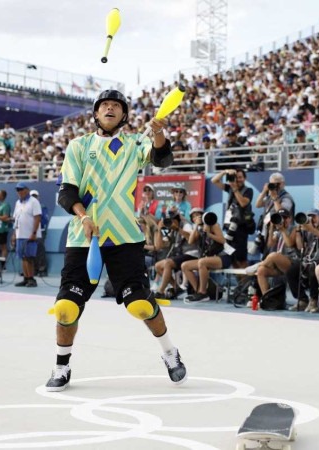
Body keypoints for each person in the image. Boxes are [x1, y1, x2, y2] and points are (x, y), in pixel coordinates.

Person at [46, 89, 185, 392]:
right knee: (67, 306)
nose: (109, 109)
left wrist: (159, 134)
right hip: (84, 237)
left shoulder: (135, 143)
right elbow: (66, 191)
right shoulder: (78, 146)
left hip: (124, 237)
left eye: (116, 106)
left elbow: (162, 159)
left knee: (140, 306)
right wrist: (83, 216)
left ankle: (170, 352)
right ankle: (61, 366)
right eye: (104, 105)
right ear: (96, 114)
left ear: (123, 115)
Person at [153, 208, 201, 298]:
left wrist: (178, 229)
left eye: (173, 220)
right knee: (158, 266)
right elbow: (160, 246)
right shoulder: (172, 230)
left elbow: (191, 239)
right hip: (182, 256)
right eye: (169, 220)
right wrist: (159, 230)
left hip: (192, 254)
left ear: (177, 219)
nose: (171, 222)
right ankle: (176, 287)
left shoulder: (186, 225)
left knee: (168, 262)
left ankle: (160, 291)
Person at [211, 168, 254, 268]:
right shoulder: (230, 188)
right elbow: (214, 181)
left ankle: (247, 282)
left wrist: (235, 188)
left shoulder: (248, 190)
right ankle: (241, 283)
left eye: (240, 177)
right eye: (236, 177)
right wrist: (225, 171)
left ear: (245, 178)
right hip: (230, 228)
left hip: (241, 229)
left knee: (241, 259)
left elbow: (243, 203)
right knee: (232, 257)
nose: (238, 180)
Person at [12, 183, 41, 288]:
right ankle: (26, 278)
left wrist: (34, 233)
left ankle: (31, 279)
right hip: (20, 234)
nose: (19, 192)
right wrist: (14, 235)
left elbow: (37, 218)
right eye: (18, 190)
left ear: (27, 190)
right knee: (23, 257)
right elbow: (16, 219)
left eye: (21, 189)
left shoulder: (34, 201)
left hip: (29, 235)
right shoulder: (17, 203)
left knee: (29, 257)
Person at [31, 190, 50, 277]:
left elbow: (45, 220)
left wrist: (36, 222)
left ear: (38, 197)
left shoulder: (42, 207)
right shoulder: (28, 206)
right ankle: (33, 270)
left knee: (40, 250)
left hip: (40, 231)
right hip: (30, 232)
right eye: (32, 196)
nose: (34, 198)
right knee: (31, 251)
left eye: (35, 196)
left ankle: (42, 269)